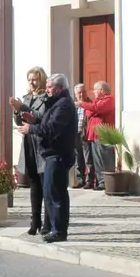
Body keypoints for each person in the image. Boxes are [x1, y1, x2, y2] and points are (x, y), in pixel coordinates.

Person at [17, 73, 78, 243]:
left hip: (58, 154)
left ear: (59, 88)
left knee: (55, 194)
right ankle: (53, 228)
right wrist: (34, 120)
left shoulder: (64, 105)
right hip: (51, 154)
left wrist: (31, 129)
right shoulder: (56, 103)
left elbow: (52, 129)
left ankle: (58, 231)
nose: (47, 90)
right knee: (50, 192)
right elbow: (46, 124)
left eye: (50, 87)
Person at [11, 67, 50, 236]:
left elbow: (41, 118)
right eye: (29, 80)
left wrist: (24, 107)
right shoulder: (27, 97)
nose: (32, 83)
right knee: (34, 184)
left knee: (45, 185)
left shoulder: (47, 98)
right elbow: (19, 121)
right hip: (29, 144)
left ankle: (47, 222)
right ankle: (35, 221)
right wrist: (16, 110)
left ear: (41, 80)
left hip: (42, 144)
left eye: (35, 79)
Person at [79, 81, 116, 191]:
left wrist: (83, 104)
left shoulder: (109, 99)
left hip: (103, 135)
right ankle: (100, 181)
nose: (94, 92)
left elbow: (96, 108)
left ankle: (106, 182)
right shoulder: (96, 100)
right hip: (93, 135)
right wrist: (92, 108)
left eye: (96, 89)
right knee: (96, 160)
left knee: (104, 159)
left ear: (102, 90)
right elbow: (89, 112)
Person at [73, 84, 90, 188]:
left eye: (84, 92)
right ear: (75, 94)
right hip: (75, 134)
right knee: (78, 158)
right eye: (79, 93)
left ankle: (89, 180)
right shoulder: (73, 105)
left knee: (88, 158)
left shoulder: (90, 104)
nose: (82, 94)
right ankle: (80, 180)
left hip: (85, 134)